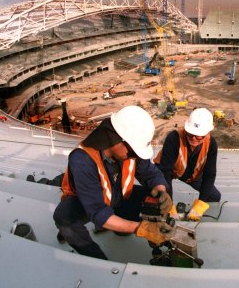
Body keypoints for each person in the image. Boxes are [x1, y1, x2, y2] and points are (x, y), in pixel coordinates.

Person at [53, 106, 173, 260]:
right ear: (115, 139)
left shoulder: (130, 150)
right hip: (87, 203)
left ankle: (119, 225)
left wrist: (161, 191)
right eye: (132, 151)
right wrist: (140, 228)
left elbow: (152, 174)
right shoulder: (82, 160)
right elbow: (97, 211)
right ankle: (98, 260)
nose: (134, 156)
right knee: (64, 218)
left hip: (116, 197)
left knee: (154, 198)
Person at [154, 108, 220, 221]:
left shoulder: (211, 144)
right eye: (190, 134)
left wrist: (200, 205)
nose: (194, 138)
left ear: (208, 133)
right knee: (157, 195)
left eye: (199, 136)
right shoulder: (174, 138)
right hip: (168, 170)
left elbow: (210, 174)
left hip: (191, 175)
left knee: (214, 196)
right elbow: (166, 172)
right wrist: (168, 204)